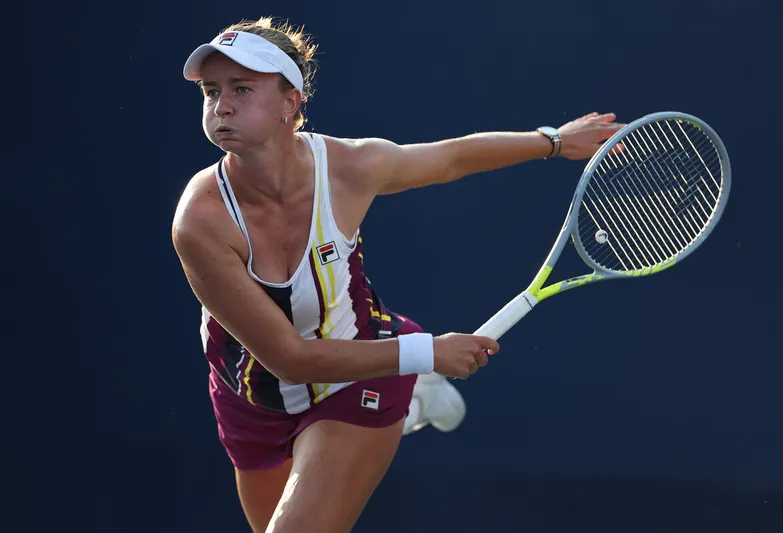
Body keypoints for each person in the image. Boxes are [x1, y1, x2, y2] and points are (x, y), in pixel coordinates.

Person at [172, 16, 624, 533]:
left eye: (242, 88)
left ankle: (402, 393)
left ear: (289, 103)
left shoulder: (348, 167)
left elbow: (450, 159)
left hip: (360, 376)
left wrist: (554, 141)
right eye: (211, 91)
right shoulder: (200, 219)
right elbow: (288, 359)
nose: (221, 105)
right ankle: (418, 396)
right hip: (250, 403)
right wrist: (431, 354)